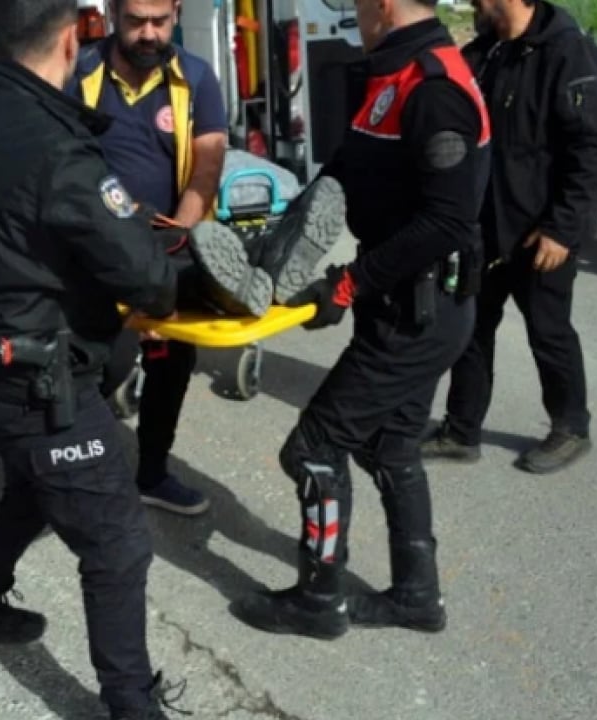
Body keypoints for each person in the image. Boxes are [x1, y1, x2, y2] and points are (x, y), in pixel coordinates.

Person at [0, 0, 188, 716]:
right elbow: (150, 279)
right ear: (73, 38)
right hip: (39, 377)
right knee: (118, 544)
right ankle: (131, 705)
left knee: (31, 488)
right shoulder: (54, 146)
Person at [231, 0, 490, 640]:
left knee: (313, 449)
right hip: (402, 308)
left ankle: (318, 600)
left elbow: (447, 222)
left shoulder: (434, 88)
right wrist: (280, 249)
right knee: (391, 447)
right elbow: (346, 170)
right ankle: (416, 597)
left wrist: (347, 285)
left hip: (420, 314)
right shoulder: (388, 73)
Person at [69, 0, 347, 516]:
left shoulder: (196, 77)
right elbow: (62, 174)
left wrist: (182, 237)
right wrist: (134, 285)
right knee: (101, 367)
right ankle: (54, 469)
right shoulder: (78, 73)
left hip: (171, 241)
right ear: (110, 12)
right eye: (135, 22)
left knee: (174, 357)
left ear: (176, 11)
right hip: (95, 248)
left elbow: (207, 165)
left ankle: (151, 473)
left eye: (160, 20)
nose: (149, 33)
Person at [421, 0, 597, 474]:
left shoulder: (565, 52)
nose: (474, 4)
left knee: (548, 331)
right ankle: (462, 432)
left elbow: (590, 148)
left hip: (540, 233)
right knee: (472, 329)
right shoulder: (486, 52)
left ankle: (571, 427)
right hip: (484, 228)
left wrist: (562, 228)